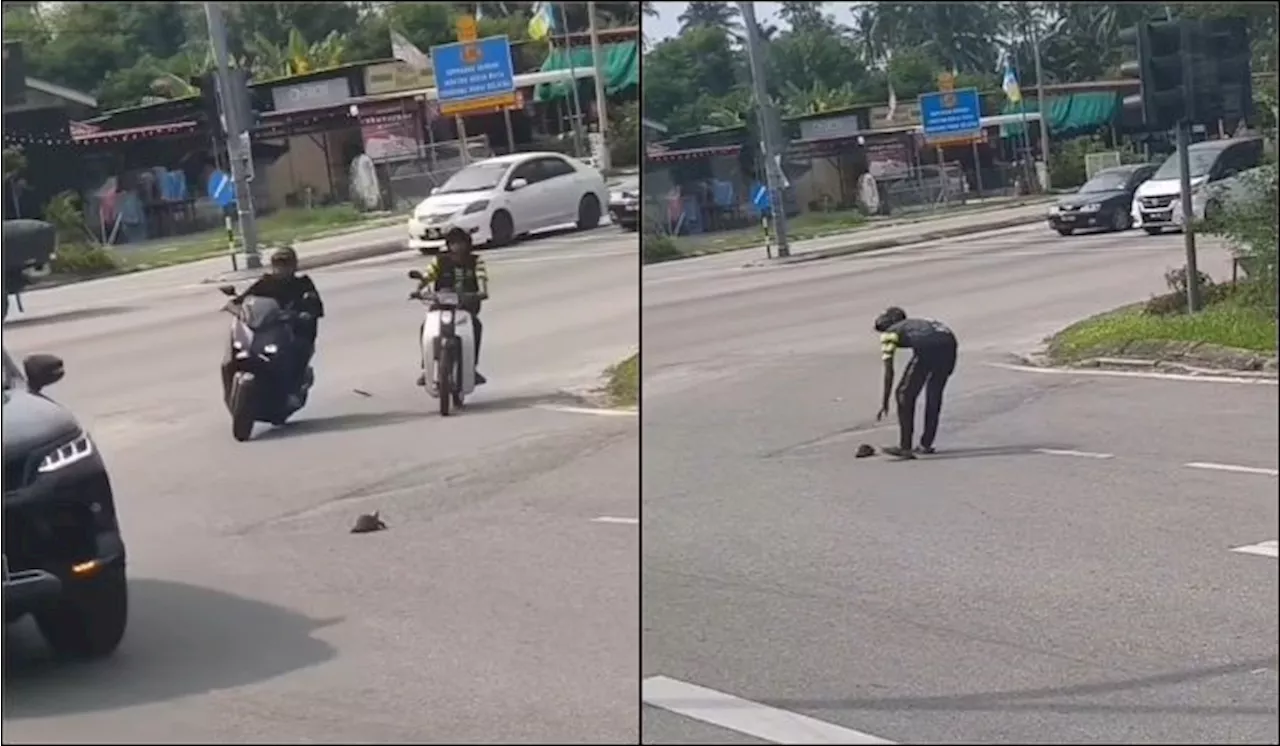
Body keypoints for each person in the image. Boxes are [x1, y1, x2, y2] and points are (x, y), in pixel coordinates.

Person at [240, 246, 324, 403]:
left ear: (294, 265)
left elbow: (316, 307)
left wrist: (305, 314)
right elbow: (243, 300)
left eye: (286, 263)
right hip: (267, 331)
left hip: (294, 332)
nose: (282, 267)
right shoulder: (265, 283)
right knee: (247, 347)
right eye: (278, 262)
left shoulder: (303, 284)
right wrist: (237, 309)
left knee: (298, 349)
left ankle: (293, 390)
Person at [873, 306, 958, 459]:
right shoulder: (915, 323)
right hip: (949, 344)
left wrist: (885, 401)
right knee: (934, 394)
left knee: (904, 393)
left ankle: (905, 447)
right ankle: (926, 444)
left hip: (928, 346)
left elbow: (889, 370)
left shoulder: (891, 332)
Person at [413, 228, 490, 387]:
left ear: (467, 244)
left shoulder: (476, 261)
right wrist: (418, 290)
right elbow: (428, 276)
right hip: (441, 305)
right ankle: (425, 367)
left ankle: (472, 368)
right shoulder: (440, 261)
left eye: (460, 243)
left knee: (476, 326)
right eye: (453, 243)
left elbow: (482, 278)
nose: (457, 247)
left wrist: (482, 292)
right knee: (425, 327)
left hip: (466, 305)